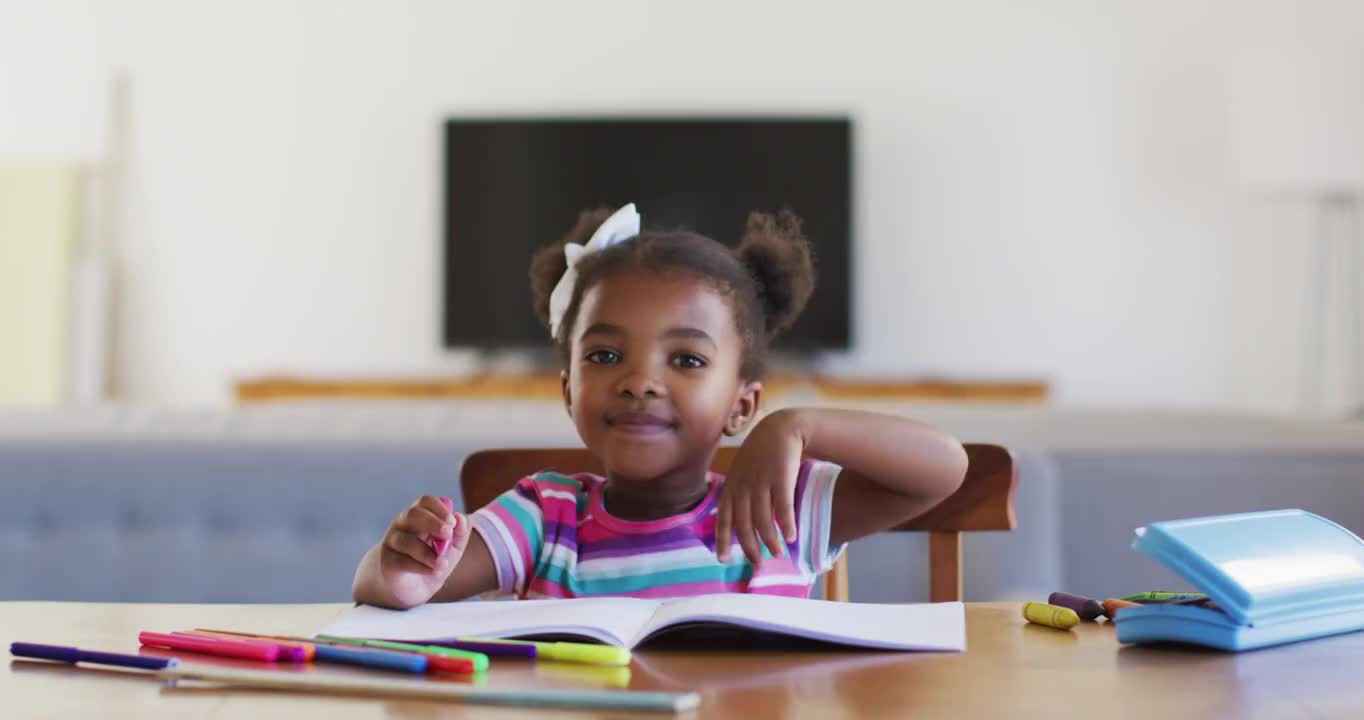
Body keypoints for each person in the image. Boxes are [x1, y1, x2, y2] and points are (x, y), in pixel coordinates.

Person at [353, 204, 968, 608]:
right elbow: (398, 591)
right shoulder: (543, 518)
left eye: (687, 360)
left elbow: (945, 466)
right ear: (567, 390)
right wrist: (406, 565)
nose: (640, 381)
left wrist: (795, 426)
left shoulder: (780, 510)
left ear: (741, 404)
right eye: (603, 356)